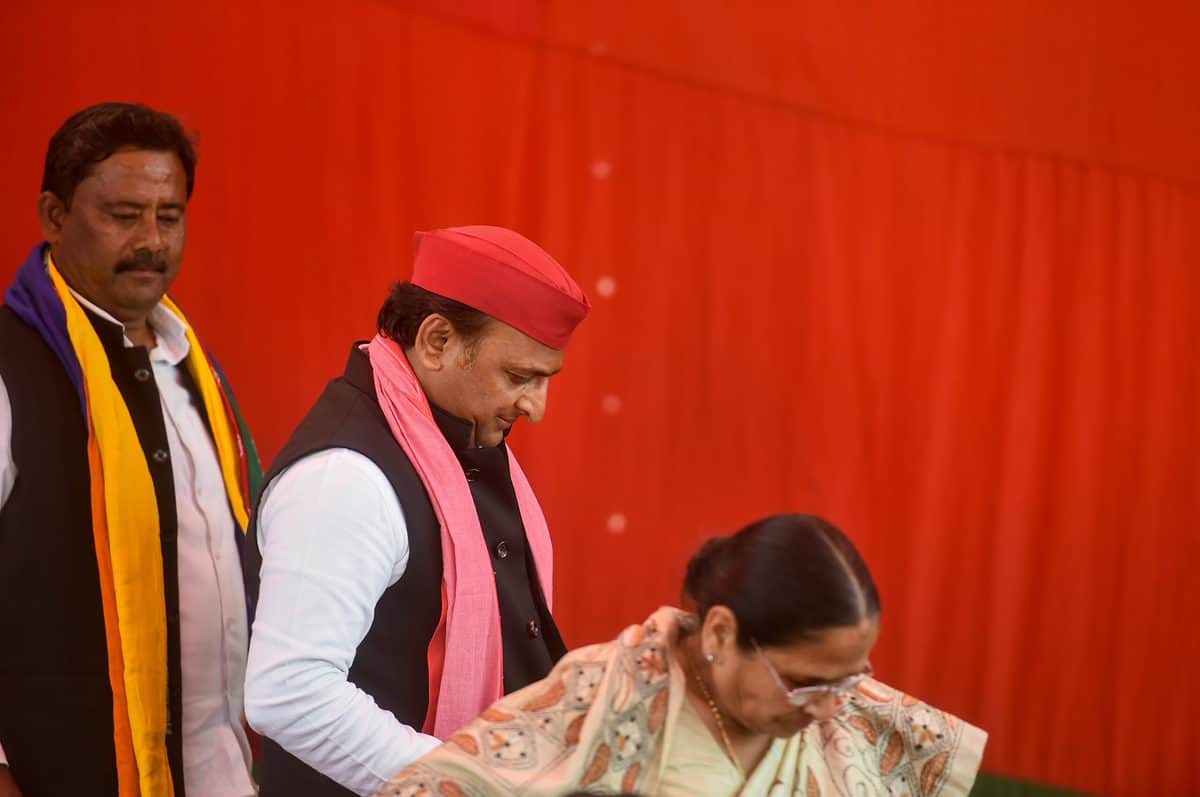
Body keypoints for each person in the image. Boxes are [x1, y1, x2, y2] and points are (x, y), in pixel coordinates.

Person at [243, 225, 591, 796]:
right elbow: (289, 692)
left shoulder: (450, 441)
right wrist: (466, 784)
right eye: (519, 377)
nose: (536, 406)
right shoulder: (345, 478)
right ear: (436, 341)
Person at [0, 103, 261, 796]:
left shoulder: (192, 368)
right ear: (53, 216)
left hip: (219, 770)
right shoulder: (10, 369)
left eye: (168, 216)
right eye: (123, 214)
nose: (151, 240)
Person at [379, 514, 987, 796]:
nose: (831, 708)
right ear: (721, 634)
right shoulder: (599, 698)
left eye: (852, 678)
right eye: (804, 683)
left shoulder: (849, 711)